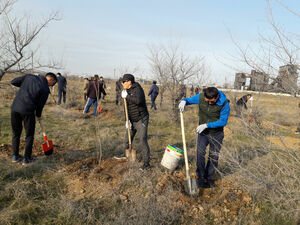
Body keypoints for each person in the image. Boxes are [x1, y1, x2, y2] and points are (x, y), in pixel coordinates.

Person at [178, 87, 230, 188]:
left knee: (213, 156)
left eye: (212, 101)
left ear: (217, 97)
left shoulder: (224, 103)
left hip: (216, 134)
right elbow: (189, 100)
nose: (209, 103)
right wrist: (183, 101)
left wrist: (206, 125)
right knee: (200, 153)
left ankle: (208, 178)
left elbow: (223, 121)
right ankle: (200, 177)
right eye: (207, 101)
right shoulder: (201, 97)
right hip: (203, 133)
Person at [10, 73, 57, 165]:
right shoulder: (45, 89)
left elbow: (13, 81)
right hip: (28, 111)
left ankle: (15, 156)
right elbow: (40, 105)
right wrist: (38, 115)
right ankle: (26, 159)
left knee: (16, 133)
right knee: (29, 135)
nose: (51, 86)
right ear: (50, 79)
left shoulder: (29, 77)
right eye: (53, 84)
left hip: (14, 108)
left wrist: (25, 86)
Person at [117, 74, 151, 170]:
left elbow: (138, 101)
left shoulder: (138, 89)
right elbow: (126, 107)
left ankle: (146, 164)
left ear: (129, 82)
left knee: (142, 140)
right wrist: (127, 120)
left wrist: (127, 97)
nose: (122, 83)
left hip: (141, 119)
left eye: (124, 81)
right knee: (127, 139)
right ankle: (125, 155)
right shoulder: (126, 91)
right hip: (132, 119)